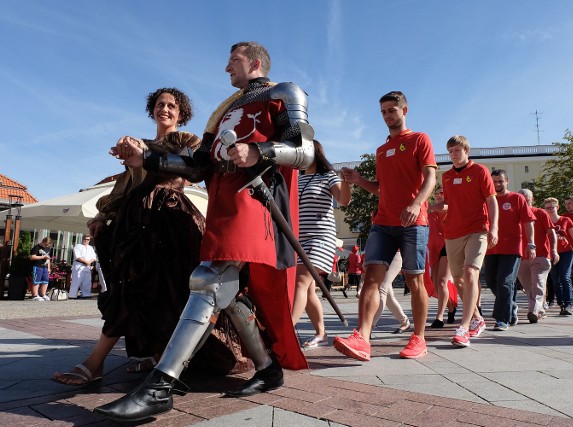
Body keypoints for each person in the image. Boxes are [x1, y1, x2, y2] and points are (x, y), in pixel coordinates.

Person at [93, 41, 312, 421]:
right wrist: (146, 157)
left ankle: (162, 384)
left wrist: (260, 153)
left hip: (257, 201)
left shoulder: (284, 93)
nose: (227, 68)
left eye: (234, 61)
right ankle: (267, 367)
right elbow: (196, 165)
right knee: (226, 289)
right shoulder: (222, 111)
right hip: (226, 205)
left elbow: (305, 152)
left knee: (209, 278)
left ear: (255, 62)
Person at [53, 88, 209, 387]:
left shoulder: (186, 141)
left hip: (171, 221)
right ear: (153, 110)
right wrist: (103, 215)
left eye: (172, 105)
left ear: (181, 113)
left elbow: (193, 170)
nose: (165, 109)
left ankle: (149, 358)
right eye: (160, 104)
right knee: (132, 287)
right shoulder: (140, 144)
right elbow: (125, 185)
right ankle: (112, 360)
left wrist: (145, 154)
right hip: (137, 221)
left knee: (170, 293)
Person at [334, 90, 437, 361]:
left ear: (404, 110)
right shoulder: (381, 150)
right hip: (382, 223)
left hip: (414, 222)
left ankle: (418, 338)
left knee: (415, 280)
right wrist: (357, 180)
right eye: (383, 112)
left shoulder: (419, 139)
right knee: (371, 278)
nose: (387, 115)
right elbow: (381, 189)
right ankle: (362, 338)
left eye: (392, 110)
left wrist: (416, 205)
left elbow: (430, 179)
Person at [433, 135, 498, 348]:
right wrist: (426, 207)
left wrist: (494, 227)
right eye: (450, 151)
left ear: (466, 151)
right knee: (459, 280)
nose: (453, 155)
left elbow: (491, 200)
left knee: (471, 273)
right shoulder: (447, 176)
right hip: (452, 233)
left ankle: (464, 327)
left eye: (457, 151)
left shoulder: (480, 171)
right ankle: (478, 319)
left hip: (477, 230)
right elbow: (449, 205)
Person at [291, 140, 351, 348]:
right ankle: (321, 333)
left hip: (320, 238)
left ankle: (285, 333)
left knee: (300, 282)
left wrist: (347, 183)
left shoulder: (328, 176)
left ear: (312, 153)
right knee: (307, 290)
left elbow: (343, 200)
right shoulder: (295, 179)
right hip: (298, 240)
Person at [484, 170, 536, 331]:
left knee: (505, 282)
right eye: (494, 181)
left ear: (507, 181)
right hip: (490, 248)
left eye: (500, 181)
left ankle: (502, 319)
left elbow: (528, 222)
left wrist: (531, 244)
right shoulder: (487, 200)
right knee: (492, 282)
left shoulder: (517, 198)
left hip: (512, 249)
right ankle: (511, 306)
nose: (497, 184)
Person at [516, 189, 558, 323]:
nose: (524, 201)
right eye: (522, 199)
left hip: (541, 255)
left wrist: (554, 250)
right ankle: (539, 309)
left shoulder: (540, 213)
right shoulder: (514, 214)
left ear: (532, 200)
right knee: (528, 287)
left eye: (527, 199)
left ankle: (533, 311)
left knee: (538, 284)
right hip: (521, 257)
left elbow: (551, 234)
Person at [543, 198, 573, 315]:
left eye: (552, 207)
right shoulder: (543, 220)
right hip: (550, 253)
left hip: (566, 252)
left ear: (557, 207)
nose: (550, 210)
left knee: (565, 277)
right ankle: (561, 303)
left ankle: (568, 304)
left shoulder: (565, 220)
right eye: (547, 208)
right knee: (555, 280)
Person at [427, 186, 458, 327]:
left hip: (449, 245)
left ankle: (439, 317)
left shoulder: (450, 207)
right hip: (434, 248)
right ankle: (451, 306)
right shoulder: (431, 213)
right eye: (436, 193)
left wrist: (425, 205)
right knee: (435, 282)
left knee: (442, 281)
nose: (439, 195)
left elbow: (443, 207)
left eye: (442, 193)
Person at [372, 251, 411, 334]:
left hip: (395, 253)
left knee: (382, 288)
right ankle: (405, 322)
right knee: (389, 296)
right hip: (382, 254)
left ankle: (369, 326)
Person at [69, 235, 96, 299]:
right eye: (85, 239)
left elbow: (93, 257)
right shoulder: (78, 246)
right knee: (76, 280)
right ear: (82, 239)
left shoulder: (90, 248)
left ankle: (86, 295)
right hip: (79, 265)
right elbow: (77, 256)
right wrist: (86, 262)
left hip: (87, 266)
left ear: (89, 240)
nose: (86, 241)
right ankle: (72, 295)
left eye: (88, 239)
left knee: (87, 281)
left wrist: (89, 262)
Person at [29, 237, 52, 301]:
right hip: (37, 266)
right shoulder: (36, 247)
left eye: (48, 245)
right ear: (42, 242)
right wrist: (43, 256)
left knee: (45, 281)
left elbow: (48, 258)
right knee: (36, 281)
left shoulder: (47, 248)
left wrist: (49, 267)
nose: (46, 246)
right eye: (45, 244)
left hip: (44, 266)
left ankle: (43, 294)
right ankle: (35, 295)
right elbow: (32, 257)